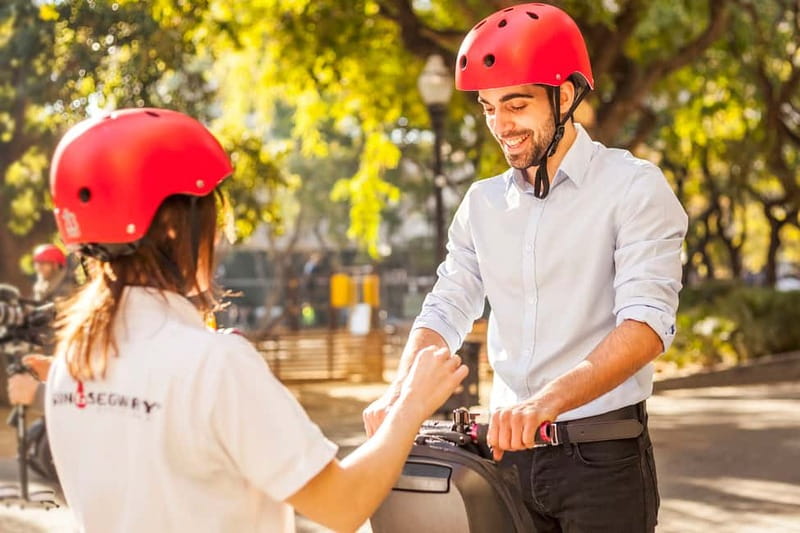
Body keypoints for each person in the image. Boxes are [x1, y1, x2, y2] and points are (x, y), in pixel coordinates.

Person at [43, 108, 468, 532]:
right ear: (175, 227)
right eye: (213, 215)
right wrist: (411, 403)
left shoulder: (72, 360)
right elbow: (343, 505)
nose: (220, 235)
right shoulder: (214, 364)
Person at [363, 4, 688, 531]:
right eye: (488, 107)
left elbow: (646, 326)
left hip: (600, 459)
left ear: (564, 96)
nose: (500, 125)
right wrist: (401, 392)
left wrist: (543, 404)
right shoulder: (482, 204)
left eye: (515, 105)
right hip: (503, 458)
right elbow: (446, 307)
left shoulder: (633, 187)